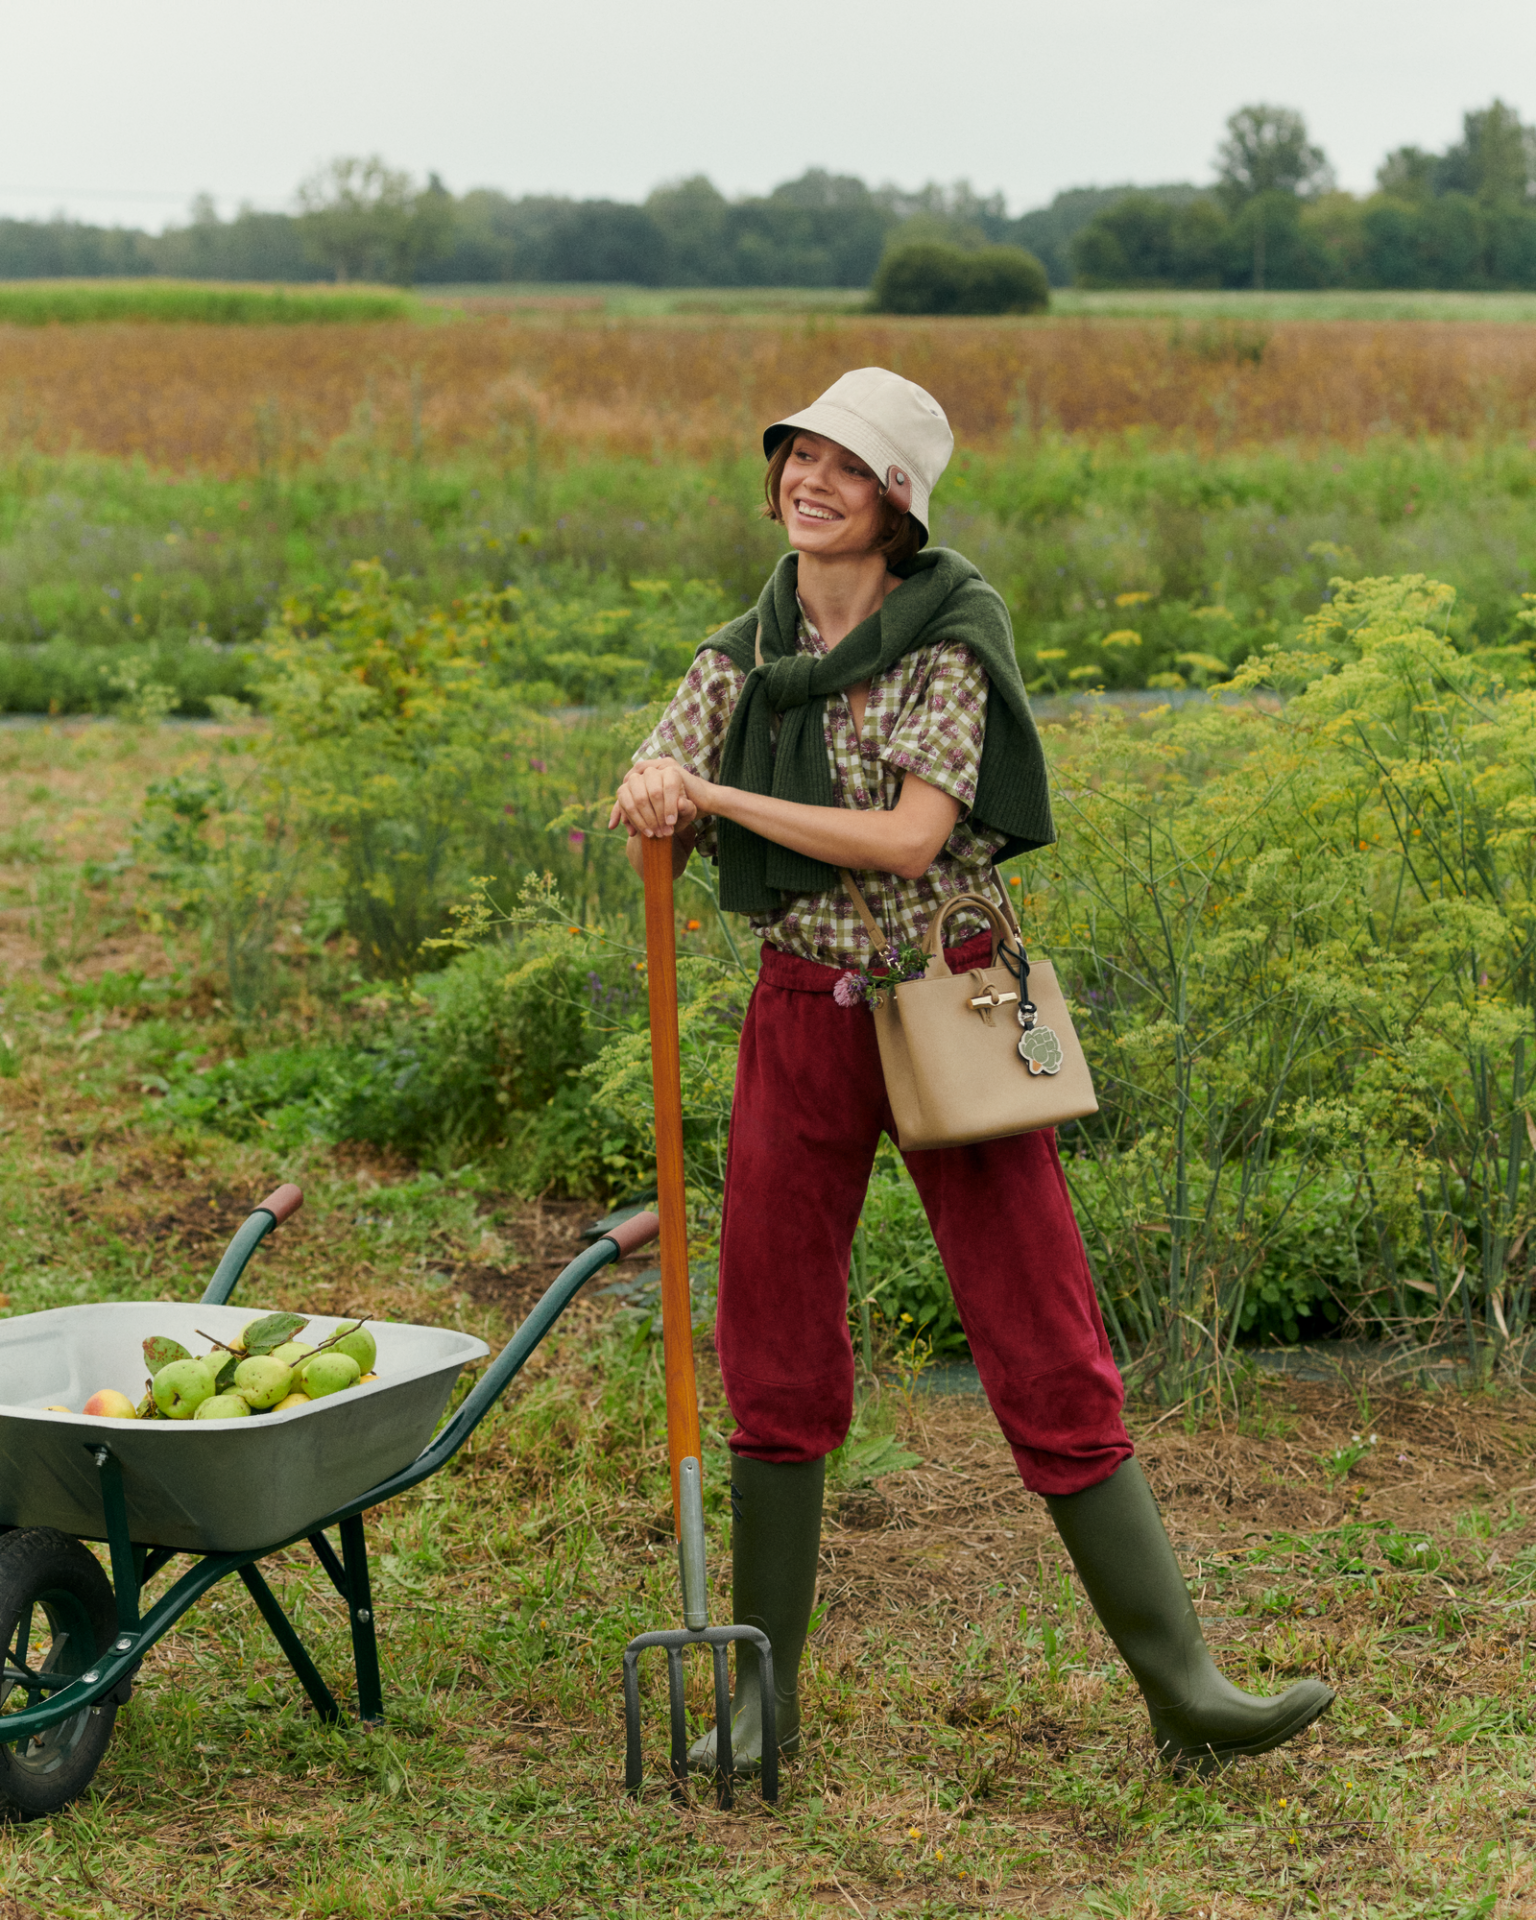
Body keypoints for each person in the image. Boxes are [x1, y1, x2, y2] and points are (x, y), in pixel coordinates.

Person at [608, 367, 1333, 1773]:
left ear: (898, 503)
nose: (809, 480)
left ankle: (1188, 1694)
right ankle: (762, 1711)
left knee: (1042, 1334)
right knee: (772, 1349)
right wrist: (651, 793)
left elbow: (904, 837)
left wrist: (712, 793)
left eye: (846, 465)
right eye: (798, 453)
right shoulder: (734, 655)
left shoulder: (951, 638)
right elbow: (656, 789)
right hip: (802, 1016)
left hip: (952, 1006)